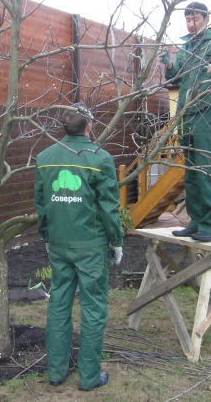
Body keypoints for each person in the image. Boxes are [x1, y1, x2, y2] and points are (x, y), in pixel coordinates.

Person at [33, 105, 124, 392]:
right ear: (89, 127)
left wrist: (47, 234)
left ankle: (56, 373)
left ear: (64, 128)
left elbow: (41, 202)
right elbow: (109, 206)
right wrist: (117, 240)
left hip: (58, 244)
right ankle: (88, 377)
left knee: (59, 303)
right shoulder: (100, 159)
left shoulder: (44, 158)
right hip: (91, 246)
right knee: (94, 308)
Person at [164, 2, 211, 242]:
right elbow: (175, 76)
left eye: (195, 19)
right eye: (187, 19)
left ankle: (210, 225)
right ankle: (195, 221)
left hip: (206, 114)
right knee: (190, 172)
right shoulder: (186, 47)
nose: (190, 23)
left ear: (205, 19)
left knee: (206, 170)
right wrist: (168, 63)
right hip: (186, 113)